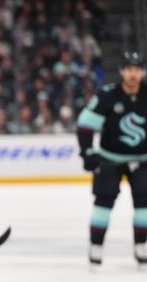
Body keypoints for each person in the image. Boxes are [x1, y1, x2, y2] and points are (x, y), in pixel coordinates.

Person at [76, 51, 147, 270]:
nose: (132, 74)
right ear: (121, 72)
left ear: (142, 72)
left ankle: (142, 246)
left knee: (144, 205)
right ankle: (96, 247)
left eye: (136, 69)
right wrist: (87, 152)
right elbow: (85, 125)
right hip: (109, 159)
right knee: (103, 203)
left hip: (142, 160)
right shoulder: (107, 95)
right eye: (128, 69)